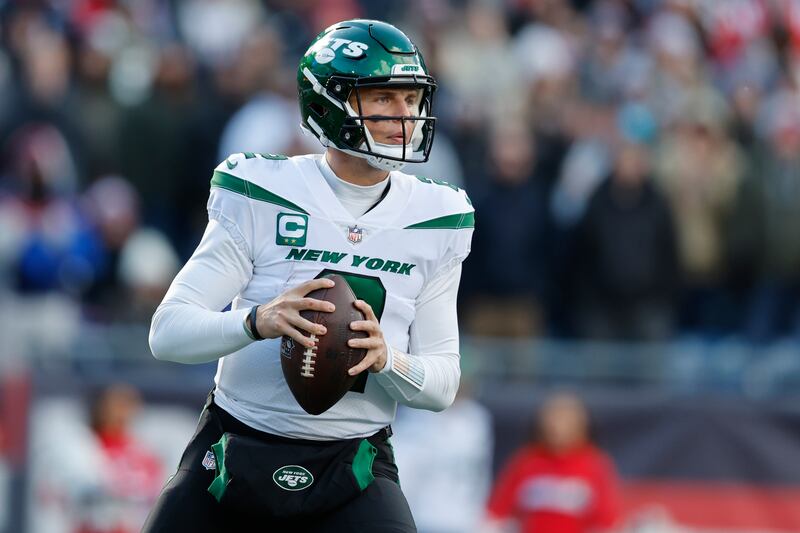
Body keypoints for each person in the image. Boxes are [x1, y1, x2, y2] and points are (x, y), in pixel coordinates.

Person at [143, 19, 474, 533]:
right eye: (384, 97)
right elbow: (167, 334)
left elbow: (442, 385)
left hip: (355, 465)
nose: (404, 115)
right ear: (329, 102)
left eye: (411, 99)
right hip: (236, 449)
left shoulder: (438, 215)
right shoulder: (260, 189)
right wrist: (257, 321)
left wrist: (388, 360)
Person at [482, 392, 621, 533]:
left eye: (566, 420)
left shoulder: (595, 464)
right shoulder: (526, 461)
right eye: (553, 419)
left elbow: (607, 522)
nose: (557, 426)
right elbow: (497, 513)